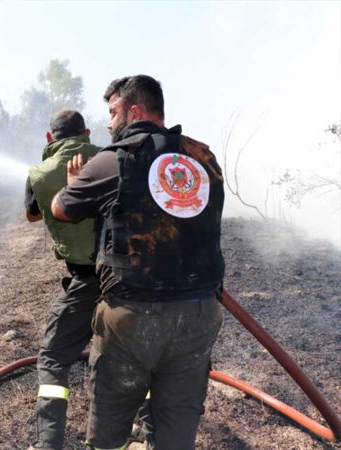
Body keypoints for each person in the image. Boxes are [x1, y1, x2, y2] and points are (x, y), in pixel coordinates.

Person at [50, 75, 225, 450]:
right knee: (177, 429)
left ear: (134, 111)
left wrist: (75, 182)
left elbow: (61, 210)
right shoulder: (203, 158)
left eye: (113, 113)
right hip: (199, 316)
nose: (110, 123)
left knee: (109, 430)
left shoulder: (113, 161)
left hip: (132, 318)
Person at [25, 110, 101, 450]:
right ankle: (143, 430)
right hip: (133, 279)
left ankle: (49, 444)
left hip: (89, 279)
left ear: (49, 138)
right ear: (86, 132)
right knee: (127, 353)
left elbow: (31, 214)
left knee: (53, 358)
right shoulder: (111, 157)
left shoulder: (38, 174)